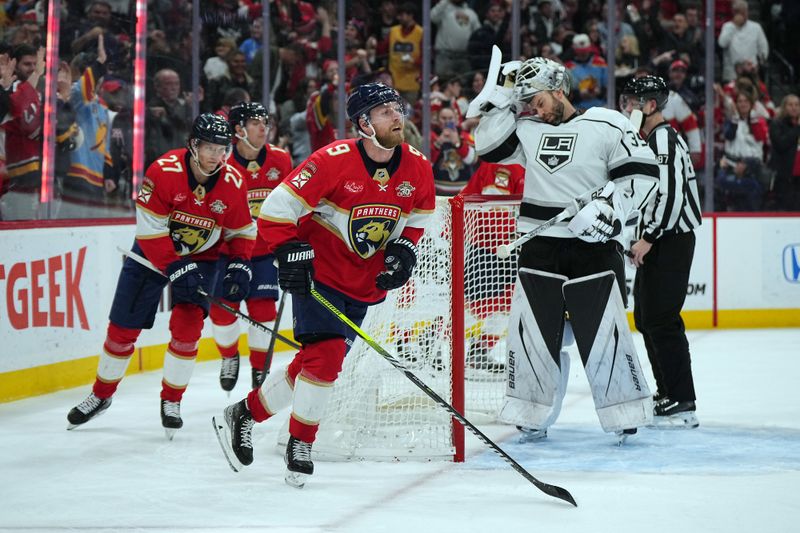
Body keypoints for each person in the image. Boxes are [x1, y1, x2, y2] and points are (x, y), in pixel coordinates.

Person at [213, 82, 435, 487]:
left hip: (365, 283)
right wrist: (288, 251)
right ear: (364, 123)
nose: (397, 116)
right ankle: (301, 444)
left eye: (397, 108)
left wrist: (404, 249)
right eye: (385, 112)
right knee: (328, 359)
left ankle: (243, 413)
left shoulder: (417, 165)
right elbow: (276, 211)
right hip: (321, 277)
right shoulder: (330, 161)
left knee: (312, 363)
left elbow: (419, 216)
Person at [471, 57, 660, 443]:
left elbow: (643, 174)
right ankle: (530, 413)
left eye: (538, 100)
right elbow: (486, 146)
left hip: (593, 246)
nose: (535, 109)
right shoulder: (526, 129)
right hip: (539, 247)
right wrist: (504, 95)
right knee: (533, 333)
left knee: (604, 330)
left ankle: (624, 410)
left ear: (559, 90)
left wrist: (611, 212)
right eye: (529, 103)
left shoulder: (607, 123)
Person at [66, 114, 256, 439]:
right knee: (122, 329)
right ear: (193, 145)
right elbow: (150, 229)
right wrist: (174, 265)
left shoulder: (234, 182)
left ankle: (172, 401)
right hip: (152, 254)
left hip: (203, 257)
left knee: (187, 329)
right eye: (208, 147)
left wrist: (240, 262)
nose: (215, 155)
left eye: (221, 148)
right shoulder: (163, 171)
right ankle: (101, 394)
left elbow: (241, 229)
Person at [620, 76, 702, 429]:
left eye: (633, 102)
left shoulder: (664, 138)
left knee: (663, 319)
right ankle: (668, 392)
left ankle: (682, 400)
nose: (627, 108)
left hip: (670, 240)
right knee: (648, 317)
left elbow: (668, 195)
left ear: (650, 105)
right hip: (660, 239)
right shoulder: (650, 139)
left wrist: (648, 238)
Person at [209, 102, 293, 392]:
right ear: (238, 130)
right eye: (255, 122)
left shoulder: (281, 160)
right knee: (222, 311)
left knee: (263, 311)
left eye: (265, 121)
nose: (263, 128)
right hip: (228, 253)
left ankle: (260, 371)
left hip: (265, 254)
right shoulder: (222, 166)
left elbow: (293, 204)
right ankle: (229, 356)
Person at [769, 94, 800, 211]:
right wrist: (798, 128)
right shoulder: (777, 124)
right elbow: (781, 144)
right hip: (784, 175)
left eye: (797, 105)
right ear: (784, 107)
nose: (794, 108)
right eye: (790, 105)